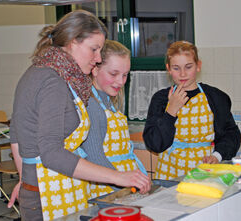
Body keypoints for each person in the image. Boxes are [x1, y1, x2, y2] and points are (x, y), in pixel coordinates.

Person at [8, 10, 151, 221]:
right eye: (94, 49)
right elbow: (52, 154)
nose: (98, 58)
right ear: (73, 41)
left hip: (43, 188)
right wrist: (118, 177)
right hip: (48, 194)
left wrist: (26, 179)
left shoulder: (39, 71)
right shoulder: (53, 81)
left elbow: (16, 133)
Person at [143, 41, 241, 180]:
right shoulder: (161, 99)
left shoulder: (215, 97)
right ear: (168, 69)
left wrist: (217, 155)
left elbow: (231, 134)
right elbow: (154, 144)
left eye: (188, 67)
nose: (183, 74)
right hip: (169, 174)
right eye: (176, 68)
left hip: (204, 172)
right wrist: (171, 110)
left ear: (198, 66)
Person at [81, 40, 148, 199]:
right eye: (114, 74)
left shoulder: (109, 102)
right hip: (105, 188)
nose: (120, 81)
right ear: (95, 69)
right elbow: (95, 158)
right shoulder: (90, 104)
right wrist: (122, 182)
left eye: (125, 75)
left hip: (121, 186)